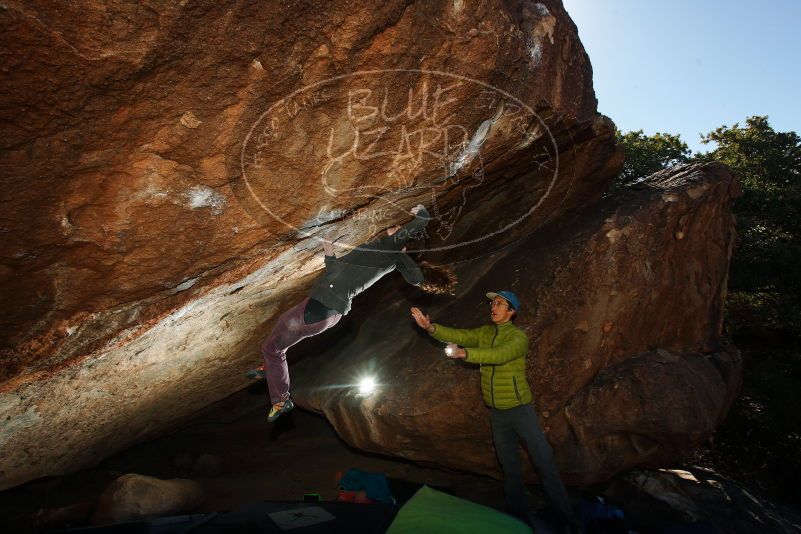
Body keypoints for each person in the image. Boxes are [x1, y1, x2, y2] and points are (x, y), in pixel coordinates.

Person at [252, 204, 456, 423]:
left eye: (398, 228)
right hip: (328, 311)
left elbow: (419, 226)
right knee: (275, 344)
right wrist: (329, 253)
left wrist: (421, 214)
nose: (396, 227)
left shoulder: (391, 248)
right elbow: (346, 272)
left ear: (404, 244)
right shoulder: (389, 260)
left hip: (321, 308)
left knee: (274, 347)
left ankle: (280, 398)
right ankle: (271, 370)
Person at [410, 292, 577, 530]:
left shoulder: (518, 338)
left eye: (500, 304)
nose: (493, 307)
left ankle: (567, 522)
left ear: (511, 312)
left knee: (544, 463)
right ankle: (517, 519)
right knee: (509, 467)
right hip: (498, 414)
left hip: (520, 411)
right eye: (492, 303)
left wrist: (464, 353)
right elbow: (460, 335)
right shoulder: (485, 333)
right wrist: (431, 327)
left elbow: (498, 356)